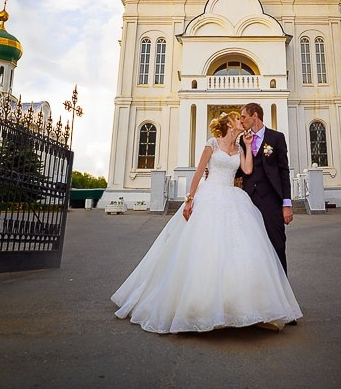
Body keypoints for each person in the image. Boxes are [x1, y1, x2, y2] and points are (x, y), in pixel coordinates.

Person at [111, 111, 302, 334]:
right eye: (239, 120)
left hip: (232, 198)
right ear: (231, 124)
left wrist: (249, 146)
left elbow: (248, 169)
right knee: (206, 249)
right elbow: (198, 173)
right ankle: (197, 307)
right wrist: (189, 200)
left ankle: (237, 307)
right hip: (209, 196)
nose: (242, 123)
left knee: (236, 251)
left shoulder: (240, 147)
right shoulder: (212, 144)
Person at [237, 102, 293, 272]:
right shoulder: (242, 139)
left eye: (244, 116)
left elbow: (284, 171)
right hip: (248, 199)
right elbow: (241, 169)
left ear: (255, 116)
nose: (241, 120)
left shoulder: (276, 138)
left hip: (271, 200)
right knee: (251, 245)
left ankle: (282, 289)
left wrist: (287, 204)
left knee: (276, 244)